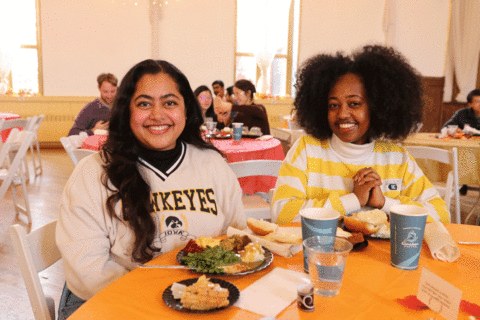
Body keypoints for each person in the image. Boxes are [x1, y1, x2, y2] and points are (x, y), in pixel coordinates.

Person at [56, 59, 247, 318]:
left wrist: (201, 295)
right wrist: (168, 298)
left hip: (202, 300)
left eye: (170, 102)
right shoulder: (93, 173)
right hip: (112, 302)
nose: (157, 115)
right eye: (144, 104)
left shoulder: (211, 164)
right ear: (126, 111)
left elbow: (237, 236)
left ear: (186, 110)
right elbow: (88, 270)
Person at [271, 45, 450, 224]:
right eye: (334, 105)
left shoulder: (397, 159)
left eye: (354, 104)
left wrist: (385, 203)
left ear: (377, 107)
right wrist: (352, 200)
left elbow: (442, 215)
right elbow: (281, 214)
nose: (342, 114)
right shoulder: (306, 150)